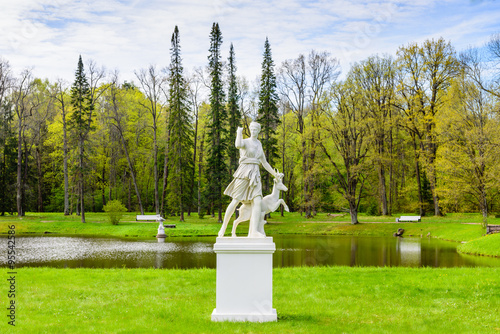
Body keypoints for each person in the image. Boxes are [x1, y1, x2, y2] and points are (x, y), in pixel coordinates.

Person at [218, 122, 280, 238]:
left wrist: (275, 174)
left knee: (257, 201)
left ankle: (254, 231)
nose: (253, 131)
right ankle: (223, 227)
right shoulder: (245, 141)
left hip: (255, 174)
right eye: (251, 129)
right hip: (244, 172)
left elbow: (264, 162)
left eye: (255, 129)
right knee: (235, 200)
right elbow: (238, 145)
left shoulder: (259, 144)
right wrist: (239, 132)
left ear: (258, 131)